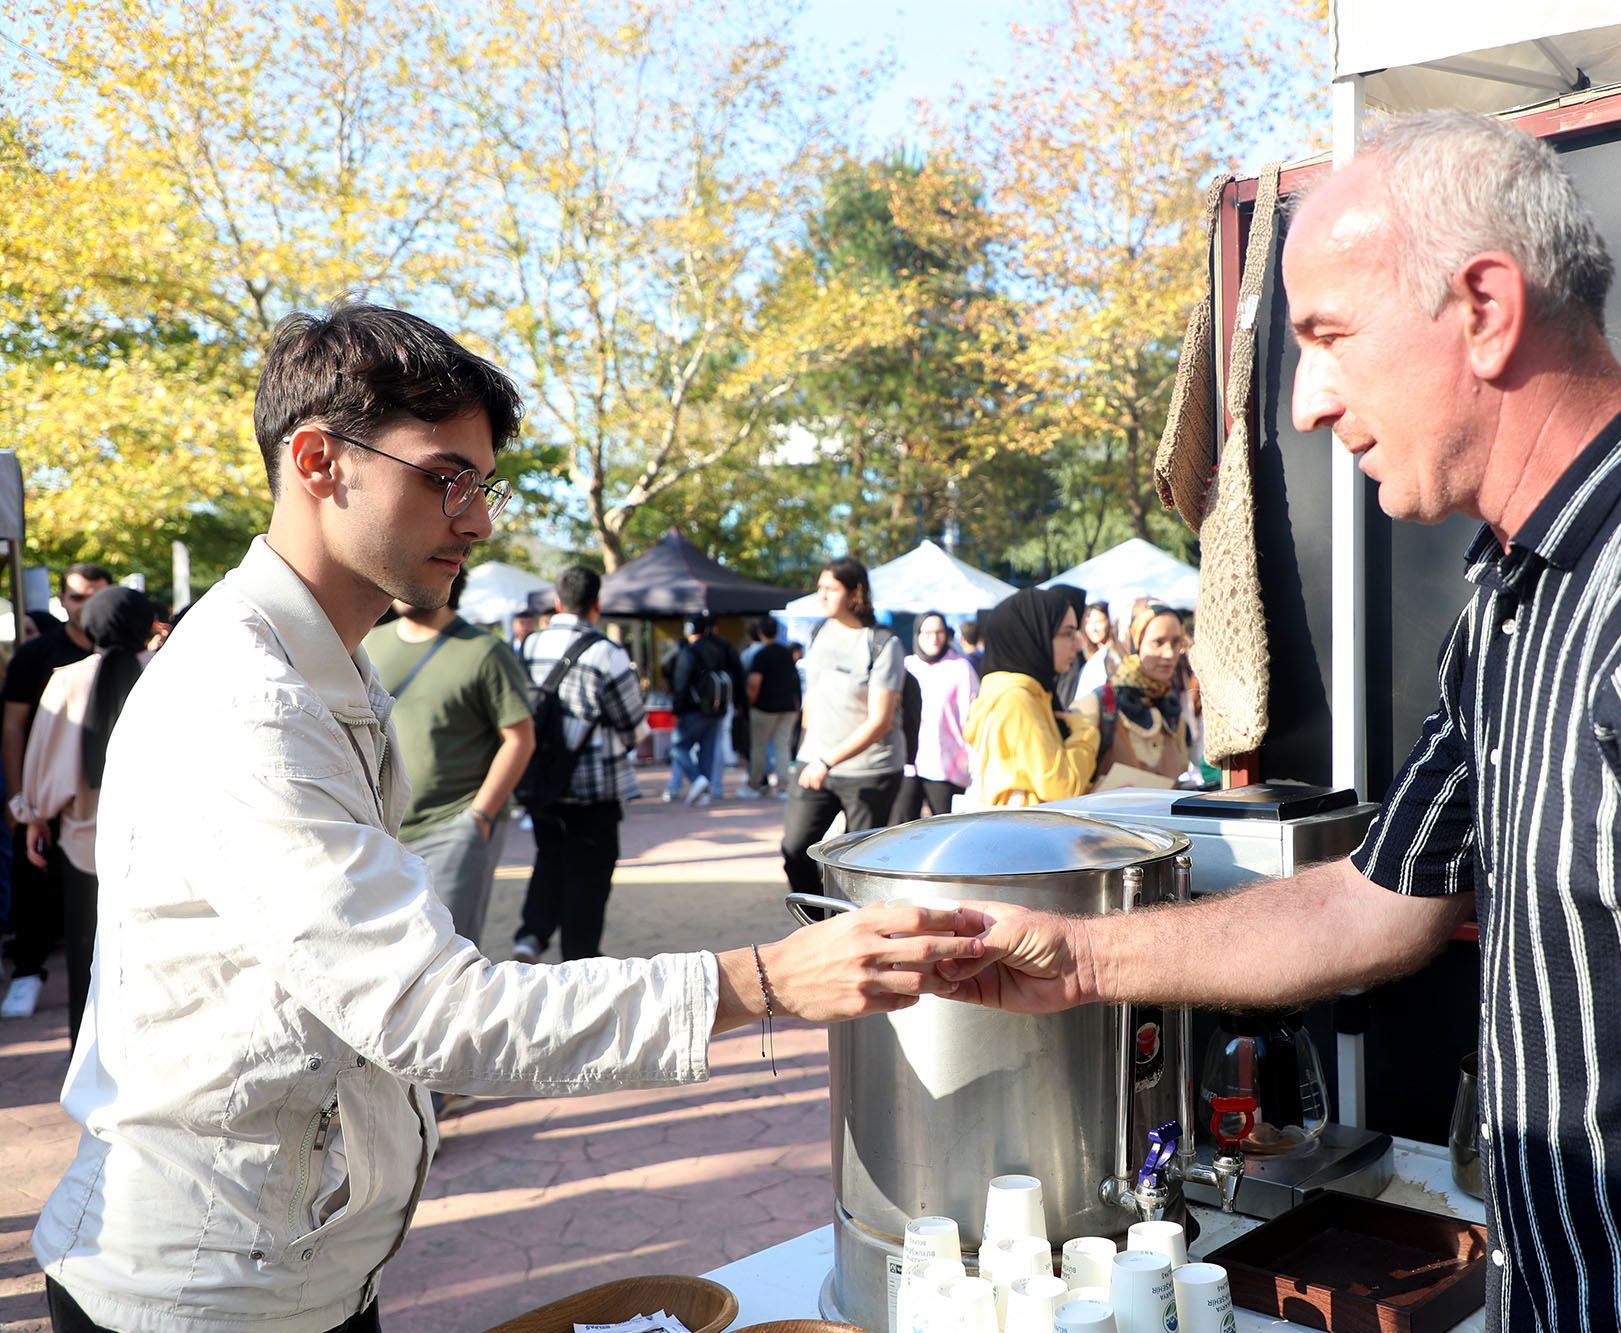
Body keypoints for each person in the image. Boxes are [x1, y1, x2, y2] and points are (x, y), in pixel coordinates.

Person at [942, 111, 1621, 1332]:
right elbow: (1372, 901)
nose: (1305, 402)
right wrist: (1078, 960)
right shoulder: (1515, 599)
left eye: (1328, 337)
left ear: (1484, 309)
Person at [32, 302, 979, 1333]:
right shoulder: (250, 696)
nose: (477, 521)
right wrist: (763, 980)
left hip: (291, 1267)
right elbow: (432, 1014)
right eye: (445, 478)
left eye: (482, 485)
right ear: (318, 461)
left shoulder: (318, 667)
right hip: (202, 1295)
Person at [7, 587, 152, 1045]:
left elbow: (47, 764)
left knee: (86, 963)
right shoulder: (167, 673)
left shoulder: (67, 679)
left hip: (81, 843)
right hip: (157, 843)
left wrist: (32, 817)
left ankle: (88, 1063)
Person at [363, 568, 534, 955]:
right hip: (381, 829)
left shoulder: (484, 650)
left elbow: (520, 736)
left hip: (454, 825)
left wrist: (480, 817)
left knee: (447, 958)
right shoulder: (368, 644)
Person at [513, 566, 644, 961]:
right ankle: (579, 957)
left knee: (549, 854)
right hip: (595, 784)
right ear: (596, 605)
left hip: (539, 777)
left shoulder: (529, 646)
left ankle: (531, 936)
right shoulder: (607, 652)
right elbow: (632, 722)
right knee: (590, 871)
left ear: (557, 603)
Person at [0, 562, 112, 1021]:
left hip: (110, 797)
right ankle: (28, 973)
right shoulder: (38, 655)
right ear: (63, 600)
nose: (84, 606)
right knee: (37, 887)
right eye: (77, 596)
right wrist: (19, 799)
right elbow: (12, 727)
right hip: (52, 795)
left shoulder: (130, 653)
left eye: (95, 597)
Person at [780, 558, 904, 897]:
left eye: (830, 589)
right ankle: (821, 926)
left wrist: (827, 761)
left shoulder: (883, 643)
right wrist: (803, 755)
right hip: (813, 764)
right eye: (819, 588)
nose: (821, 596)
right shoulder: (818, 632)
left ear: (855, 594)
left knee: (858, 865)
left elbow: (879, 722)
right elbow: (813, 699)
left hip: (869, 771)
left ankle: (856, 931)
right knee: (795, 850)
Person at [961, 587, 1096, 807]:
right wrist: (1086, 731)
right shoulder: (1017, 700)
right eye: (1067, 633)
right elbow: (1064, 787)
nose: (1078, 644)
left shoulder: (1021, 691)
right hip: (1027, 833)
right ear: (1035, 634)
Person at [1083, 603, 1190, 791]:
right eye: (1158, 642)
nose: (1169, 653)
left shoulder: (1171, 711)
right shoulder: (1098, 705)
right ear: (1132, 643)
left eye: (1176, 643)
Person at [891, 611, 981, 822]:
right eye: (927, 632)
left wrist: (975, 759)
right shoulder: (907, 666)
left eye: (939, 632)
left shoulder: (960, 667)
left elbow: (973, 716)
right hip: (909, 763)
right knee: (899, 829)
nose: (934, 638)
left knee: (945, 829)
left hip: (946, 764)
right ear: (917, 634)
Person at [669, 613, 743, 808]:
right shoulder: (719, 649)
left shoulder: (689, 652)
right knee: (708, 751)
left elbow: (681, 683)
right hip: (717, 708)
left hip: (693, 709)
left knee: (678, 747)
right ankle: (706, 792)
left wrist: (677, 709)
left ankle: (697, 780)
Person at [743, 614, 800, 799]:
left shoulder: (760, 655)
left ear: (760, 632)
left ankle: (755, 785)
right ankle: (783, 786)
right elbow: (795, 681)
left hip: (764, 708)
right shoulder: (786, 653)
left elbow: (753, 684)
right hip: (788, 707)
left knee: (759, 747)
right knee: (782, 746)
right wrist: (797, 705)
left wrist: (749, 704)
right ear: (776, 631)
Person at [1070, 600, 1117, 702]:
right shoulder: (1087, 654)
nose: (1093, 628)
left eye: (1098, 622)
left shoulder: (1114, 654)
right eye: (1088, 622)